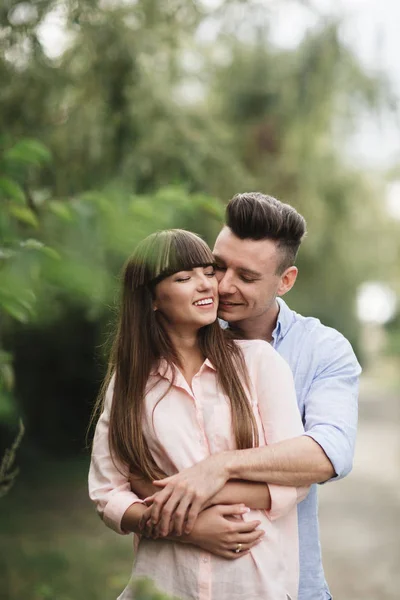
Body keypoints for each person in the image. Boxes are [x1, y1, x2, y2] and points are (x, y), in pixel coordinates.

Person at [129, 193, 361, 600]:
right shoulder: (172, 342)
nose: (223, 285)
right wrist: (190, 525)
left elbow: (328, 454)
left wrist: (219, 468)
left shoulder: (323, 348)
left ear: (285, 281)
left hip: (290, 586)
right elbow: (129, 472)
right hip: (179, 584)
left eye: (248, 277)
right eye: (218, 267)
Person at [89, 228, 308, 600]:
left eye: (208, 272)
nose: (208, 285)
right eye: (184, 277)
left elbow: (293, 480)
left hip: (253, 584)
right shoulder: (130, 383)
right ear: (153, 299)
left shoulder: (258, 363)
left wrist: (195, 490)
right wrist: (187, 528)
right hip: (165, 583)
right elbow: (107, 492)